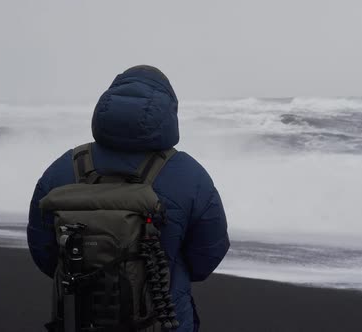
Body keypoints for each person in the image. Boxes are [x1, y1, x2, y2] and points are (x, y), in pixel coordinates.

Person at [27, 65, 230, 331]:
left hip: (80, 320)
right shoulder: (190, 175)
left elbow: (44, 252)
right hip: (163, 319)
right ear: (168, 112)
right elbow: (207, 256)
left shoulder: (64, 167)